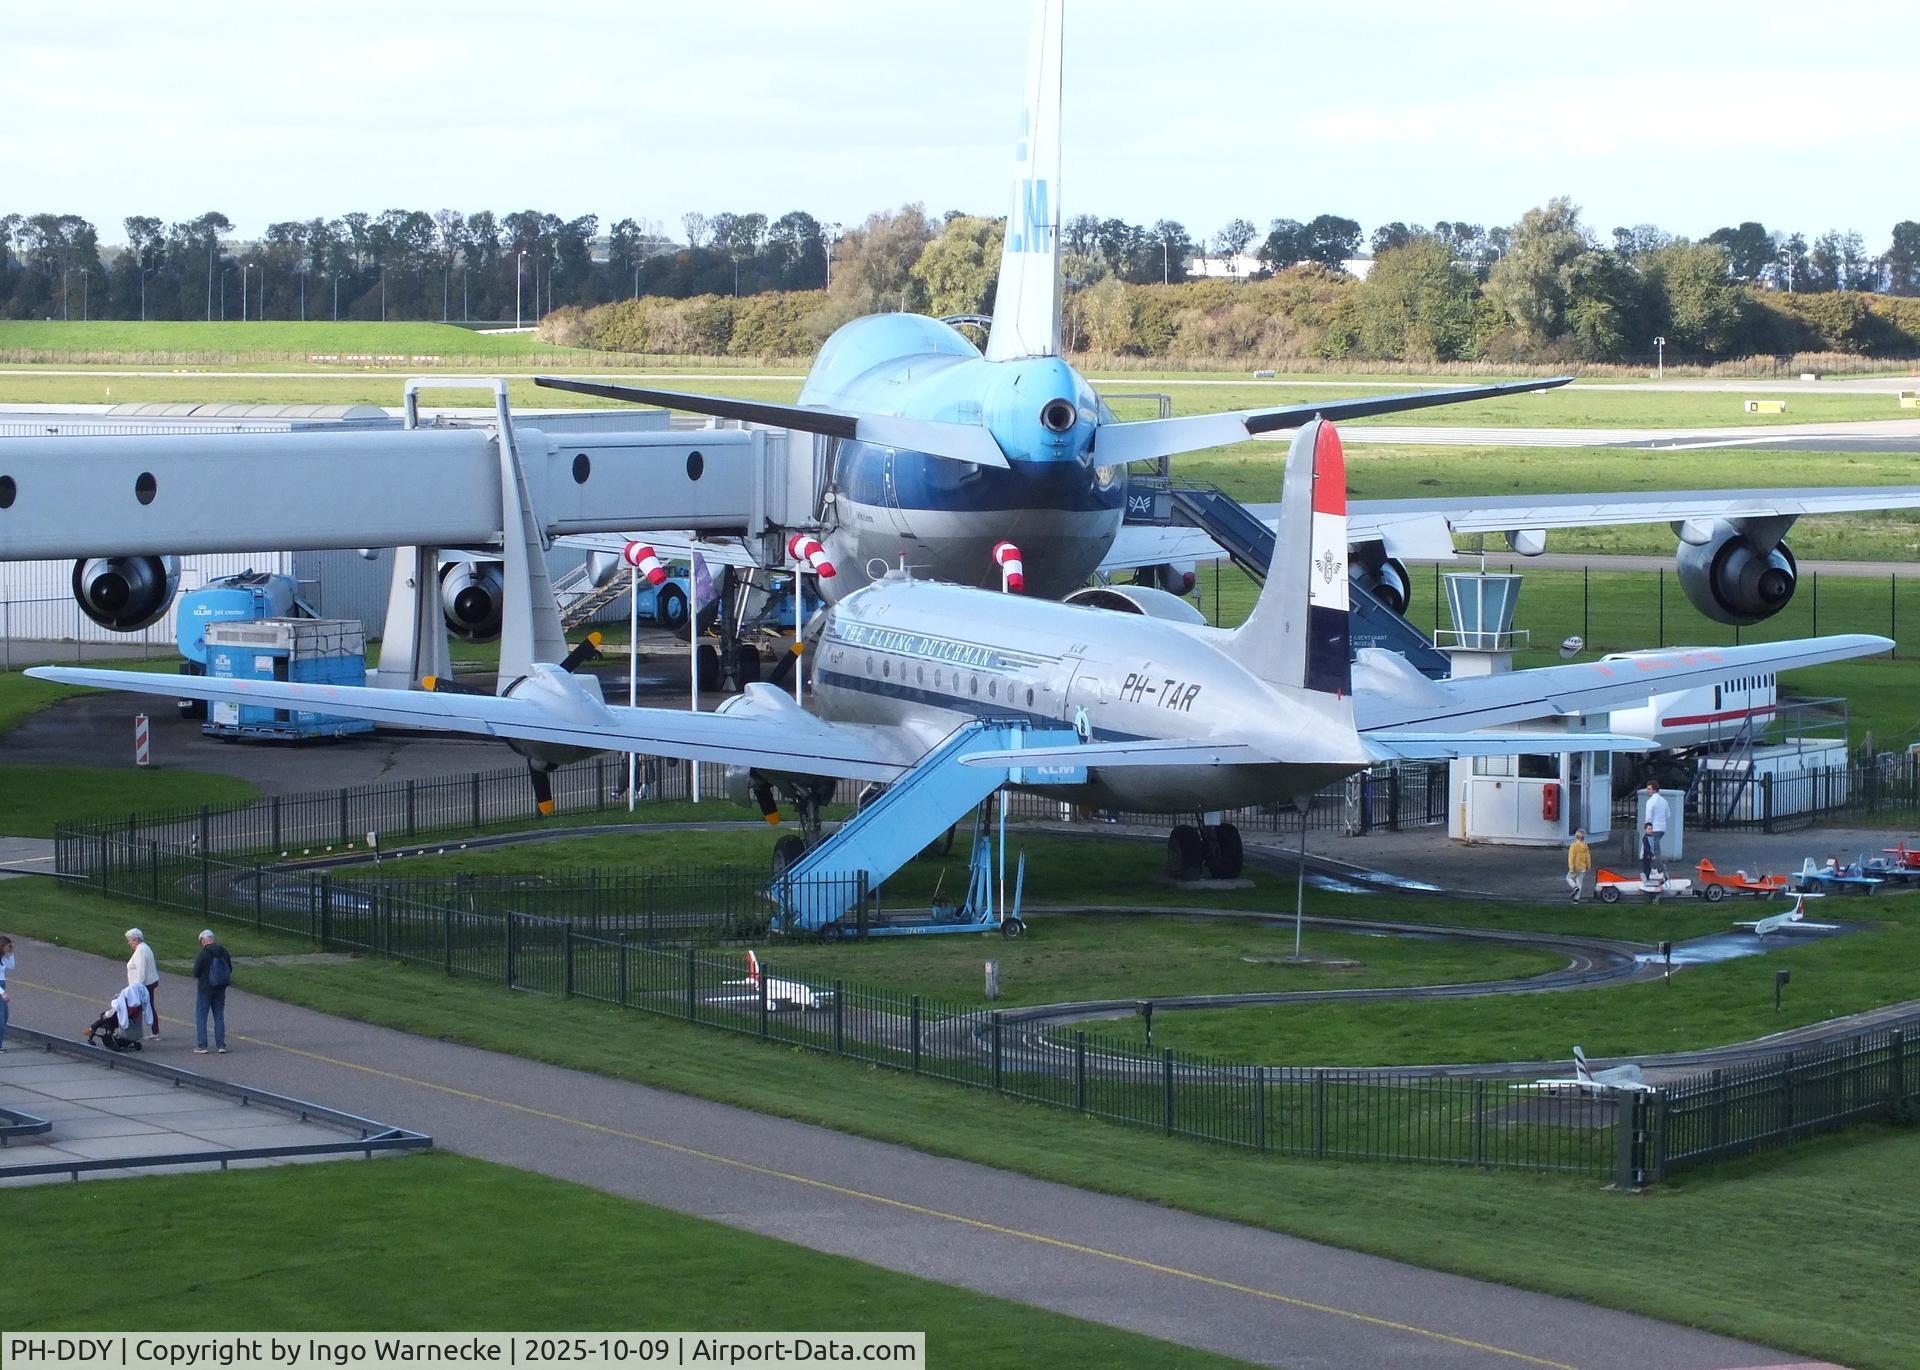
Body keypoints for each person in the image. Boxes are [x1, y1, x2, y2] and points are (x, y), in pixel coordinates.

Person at [192, 929, 233, 1054]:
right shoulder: (223, 951)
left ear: (204, 940)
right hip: (220, 988)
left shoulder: (204, 953)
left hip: (205, 988)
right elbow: (229, 968)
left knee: (201, 1016)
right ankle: (221, 1045)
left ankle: (202, 1045)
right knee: (219, 1016)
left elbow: (196, 972)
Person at [125, 928, 160, 1041]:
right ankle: (154, 1031)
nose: (128, 943)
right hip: (149, 983)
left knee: (140, 1008)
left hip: (144, 984)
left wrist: (138, 988)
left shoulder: (140, 951)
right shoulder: (144, 948)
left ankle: (137, 1032)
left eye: (130, 940)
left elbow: (141, 971)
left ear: (136, 939)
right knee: (148, 1006)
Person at [1643, 782, 1671, 860]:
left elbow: (1648, 816)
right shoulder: (1664, 801)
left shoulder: (1650, 801)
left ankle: (1659, 870)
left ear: (1654, 790)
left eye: (1649, 789)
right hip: (1662, 828)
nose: (1648, 791)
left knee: (1654, 850)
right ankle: (1655, 869)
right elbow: (1668, 815)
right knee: (1655, 848)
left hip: (1653, 828)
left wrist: (1646, 827)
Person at [1566, 829, 1592, 902]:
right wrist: (1588, 865)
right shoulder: (1585, 846)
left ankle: (1574, 887)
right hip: (1583, 867)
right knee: (1579, 882)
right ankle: (1576, 899)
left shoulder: (1573, 846)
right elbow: (1588, 857)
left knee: (1568, 878)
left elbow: (1571, 857)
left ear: (1576, 836)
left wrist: (1571, 867)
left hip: (1575, 867)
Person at [0, 934, 14, 1051]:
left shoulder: (3, 958)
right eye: (8, 946)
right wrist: (2, 993)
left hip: (2, 985)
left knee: (5, 1016)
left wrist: (11, 953)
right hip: (0, 987)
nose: (9, 948)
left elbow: (12, 966)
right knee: (1, 1017)